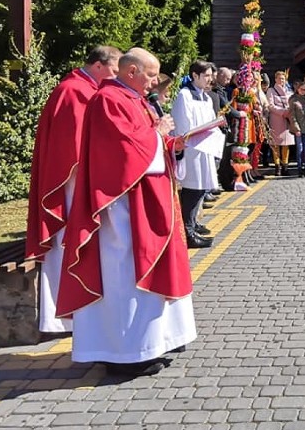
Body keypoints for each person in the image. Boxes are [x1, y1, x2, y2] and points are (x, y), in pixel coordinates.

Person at [57, 48, 196, 377]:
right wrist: (158, 134)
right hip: (122, 209)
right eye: (150, 75)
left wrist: (169, 142)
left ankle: (148, 345)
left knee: (143, 274)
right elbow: (122, 153)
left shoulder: (131, 98)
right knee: (126, 276)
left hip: (145, 201)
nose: (153, 83)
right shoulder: (110, 100)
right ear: (131, 70)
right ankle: (124, 355)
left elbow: (142, 142)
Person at [25, 45, 121, 334]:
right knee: (66, 246)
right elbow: (75, 150)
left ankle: (76, 313)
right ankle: (63, 317)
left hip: (77, 184)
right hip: (69, 187)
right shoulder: (74, 92)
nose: (115, 77)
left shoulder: (82, 88)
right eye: (114, 71)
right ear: (98, 66)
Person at [172, 61, 220, 249]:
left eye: (210, 75)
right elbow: (182, 125)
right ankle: (187, 230)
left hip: (205, 148)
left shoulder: (205, 97)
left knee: (202, 188)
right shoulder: (185, 96)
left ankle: (192, 225)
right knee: (192, 188)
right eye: (206, 75)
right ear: (195, 75)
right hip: (192, 149)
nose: (210, 79)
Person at [267, 71, 294, 176]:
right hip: (277, 119)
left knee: (286, 144)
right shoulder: (271, 90)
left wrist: (289, 111)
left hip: (287, 120)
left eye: (283, 79)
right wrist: (282, 112)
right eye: (279, 78)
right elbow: (270, 105)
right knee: (275, 144)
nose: (281, 80)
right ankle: (277, 166)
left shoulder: (289, 91)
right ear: (275, 79)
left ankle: (285, 166)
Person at [288, 81, 305, 177]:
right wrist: (296, 128)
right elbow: (292, 116)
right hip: (298, 127)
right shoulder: (293, 100)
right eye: (302, 89)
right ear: (298, 89)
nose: (303, 91)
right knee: (300, 149)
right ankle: (299, 168)